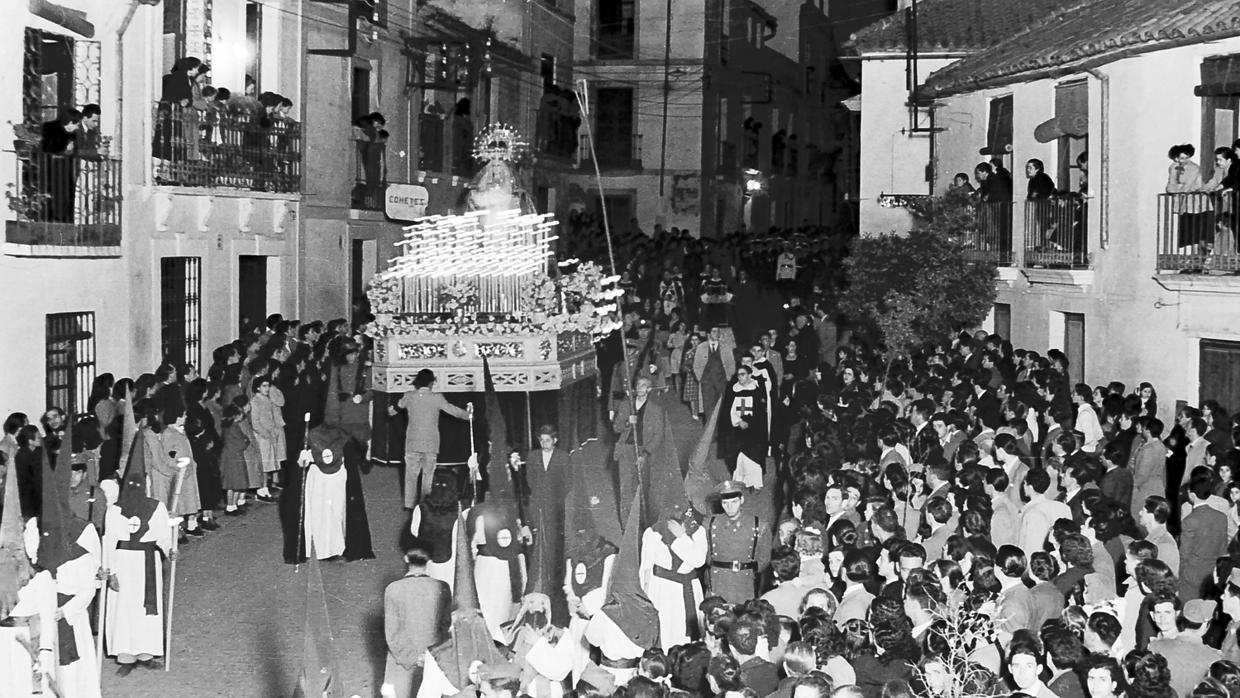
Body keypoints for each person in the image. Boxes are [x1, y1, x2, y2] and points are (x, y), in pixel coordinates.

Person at [102, 441, 173, 673]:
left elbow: (163, 534)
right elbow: (109, 541)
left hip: (147, 562)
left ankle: (146, 652)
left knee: (146, 608)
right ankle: (125, 655)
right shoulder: (114, 510)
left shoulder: (157, 507)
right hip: (122, 563)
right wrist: (110, 571)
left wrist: (170, 549)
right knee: (123, 607)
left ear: (146, 483)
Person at [283, 424, 374, 563]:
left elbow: (302, 462)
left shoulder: (339, 437)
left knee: (332, 515)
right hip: (323, 481)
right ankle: (323, 549)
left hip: (332, 481)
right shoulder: (318, 436)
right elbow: (301, 462)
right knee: (324, 515)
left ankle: (332, 549)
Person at [394, 369, 472, 509]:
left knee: (411, 475)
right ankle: (424, 504)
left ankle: (409, 504)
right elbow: (453, 411)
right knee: (428, 475)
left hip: (412, 442)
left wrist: (390, 410)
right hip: (430, 443)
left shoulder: (409, 396)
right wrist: (469, 415)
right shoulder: (437, 398)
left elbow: (395, 409)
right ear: (431, 382)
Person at [382, 546, 452, 698]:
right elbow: (446, 627)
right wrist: (429, 656)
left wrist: (413, 657)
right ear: (429, 561)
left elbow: (392, 633)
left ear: (406, 559)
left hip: (402, 660)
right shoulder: (443, 587)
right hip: (435, 658)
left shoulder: (393, 589)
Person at [640, 501, 707, 649]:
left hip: (689, 588)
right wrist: (645, 597)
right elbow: (646, 568)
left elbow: (698, 560)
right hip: (662, 590)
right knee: (666, 632)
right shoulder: (653, 532)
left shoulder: (697, 531)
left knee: (688, 636)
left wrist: (681, 537)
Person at [706, 481, 770, 604]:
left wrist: (750, 572)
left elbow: (764, 559)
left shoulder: (759, 525)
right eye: (725, 503)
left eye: (734, 502)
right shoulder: (710, 524)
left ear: (742, 500)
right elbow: (706, 554)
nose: (730, 507)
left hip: (745, 584)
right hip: (718, 582)